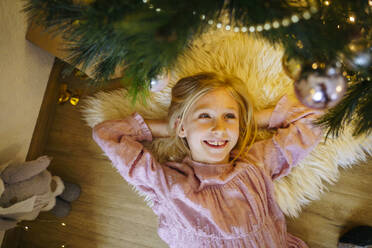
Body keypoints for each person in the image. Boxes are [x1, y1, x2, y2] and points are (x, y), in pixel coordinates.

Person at [92, 72, 324, 248]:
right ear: (181, 125)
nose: (218, 128)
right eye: (205, 116)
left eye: (229, 116)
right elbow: (108, 134)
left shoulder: (256, 164)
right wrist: (170, 128)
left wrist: (251, 121)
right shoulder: (166, 182)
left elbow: (314, 118)